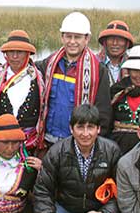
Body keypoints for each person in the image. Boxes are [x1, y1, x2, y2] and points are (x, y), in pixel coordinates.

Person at [29, 104, 127, 213]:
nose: (85, 133)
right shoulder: (57, 152)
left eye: (91, 127)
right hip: (66, 207)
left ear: (98, 129)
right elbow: (42, 191)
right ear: (71, 129)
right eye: (80, 127)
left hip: (99, 208)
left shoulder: (111, 151)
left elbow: (123, 191)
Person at [36, 12, 112, 149]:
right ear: (62, 37)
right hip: (48, 139)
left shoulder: (98, 71)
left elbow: (103, 113)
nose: (72, 42)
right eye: (68, 36)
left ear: (87, 39)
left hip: (78, 143)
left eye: (77, 37)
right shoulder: (48, 64)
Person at [0, 30, 44, 152]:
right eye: (11, 52)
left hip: (31, 141)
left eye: (19, 52)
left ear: (28, 54)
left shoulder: (38, 78)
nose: (14, 56)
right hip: (2, 140)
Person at [97, 20, 135, 85]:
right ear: (105, 42)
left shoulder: (132, 66)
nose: (115, 43)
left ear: (126, 43)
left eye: (120, 39)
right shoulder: (94, 62)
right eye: (111, 39)